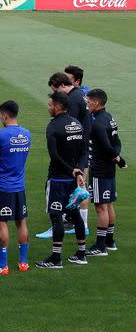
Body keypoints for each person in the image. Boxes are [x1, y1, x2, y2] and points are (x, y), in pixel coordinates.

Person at [36, 92, 88, 269]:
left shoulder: (53, 127)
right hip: (73, 179)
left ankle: (56, 258)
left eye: (50, 104)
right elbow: (84, 152)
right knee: (74, 214)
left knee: (56, 217)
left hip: (58, 179)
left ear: (58, 106)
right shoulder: (77, 124)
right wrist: (78, 170)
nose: (48, 107)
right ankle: (81, 254)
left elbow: (54, 156)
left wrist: (71, 170)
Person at [0, 101, 31, 275]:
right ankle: (23, 262)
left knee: (1, 223)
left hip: (2, 186)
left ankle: (3, 264)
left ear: (4, 115)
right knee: (21, 222)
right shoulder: (27, 134)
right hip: (19, 186)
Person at [85, 89, 125, 256]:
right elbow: (116, 142)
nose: (87, 105)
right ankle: (110, 241)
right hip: (109, 169)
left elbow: (107, 146)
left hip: (100, 169)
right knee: (108, 204)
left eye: (88, 102)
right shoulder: (110, 118)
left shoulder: (97, 123)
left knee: (101, 207)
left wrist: (117, 158)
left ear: (96, 103)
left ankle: (100, 246)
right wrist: (118, 158)